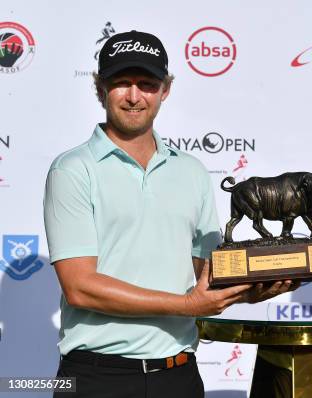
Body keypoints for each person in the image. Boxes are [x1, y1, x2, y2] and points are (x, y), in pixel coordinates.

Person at [43, 30, 294, 398]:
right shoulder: (73, 169)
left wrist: (246, 291)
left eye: (146, 83)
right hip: (97, 377)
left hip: (179, 375)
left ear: (165, 89)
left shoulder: (191, 171)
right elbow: (80, 287)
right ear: (100, 90)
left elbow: (204, 274)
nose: (133, 96)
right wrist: (188, 305)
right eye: (120, 83)